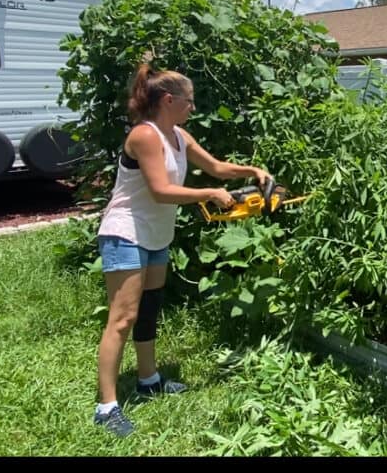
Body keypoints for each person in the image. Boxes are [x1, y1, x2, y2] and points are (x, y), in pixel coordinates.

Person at [93, 63, 269, 437]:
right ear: (169, 100)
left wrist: (251, 170)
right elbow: (160, 190)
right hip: (125, 232)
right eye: (189, 101)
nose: (192, 107)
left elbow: (217, 168)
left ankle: (149, 380)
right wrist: (208, 194)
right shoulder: (145, 135)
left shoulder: (180, 136)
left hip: (157, 234)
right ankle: (107, 407)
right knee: (122, 319)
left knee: (149, 310)